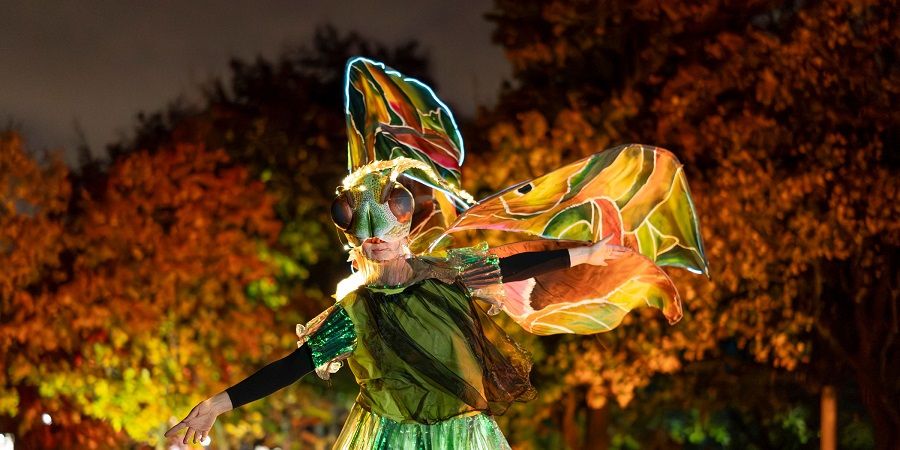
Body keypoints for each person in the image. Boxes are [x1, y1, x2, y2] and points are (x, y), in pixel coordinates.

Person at [165, 57, 708, 449]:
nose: (376, 239)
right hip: (389, 439)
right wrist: (217, 404)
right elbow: (293, 366)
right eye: (365, 233)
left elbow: (513, 265)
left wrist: (585, 254)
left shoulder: (449, 274)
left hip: (463, 436)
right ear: (354, 240)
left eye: (387, 227)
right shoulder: (356, 311)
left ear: (407, 227)